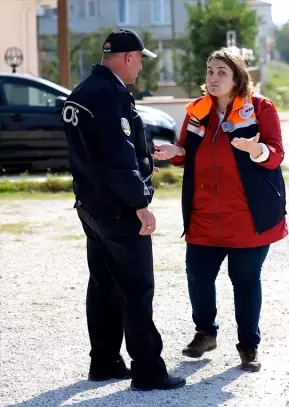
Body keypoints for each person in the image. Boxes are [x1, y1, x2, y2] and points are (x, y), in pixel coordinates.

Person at [61, 29, 186, 390]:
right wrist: (139, 203)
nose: (140, 69)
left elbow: (96, 153)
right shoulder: (110, 95)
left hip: (90, 205)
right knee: (136, 287)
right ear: (129, 57)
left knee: (103, 285)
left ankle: (103, 362)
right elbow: (116, 160)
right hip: (117, 209)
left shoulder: (83, 91)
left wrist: (143, 165)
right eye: (140, 61)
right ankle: (148, 370)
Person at [153, 48, 288, 372]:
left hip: (248, 218)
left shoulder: (260, 109)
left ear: (237, 76)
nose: (213, 78)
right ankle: (205, 332)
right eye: (210, 71)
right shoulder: (198, 110)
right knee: (197, 277)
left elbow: (276, 154)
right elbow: (186, 152)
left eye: (221, 72)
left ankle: (249, 345)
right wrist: (174, 150)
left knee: (244, 280)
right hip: (203, 216)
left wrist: (256, 148)